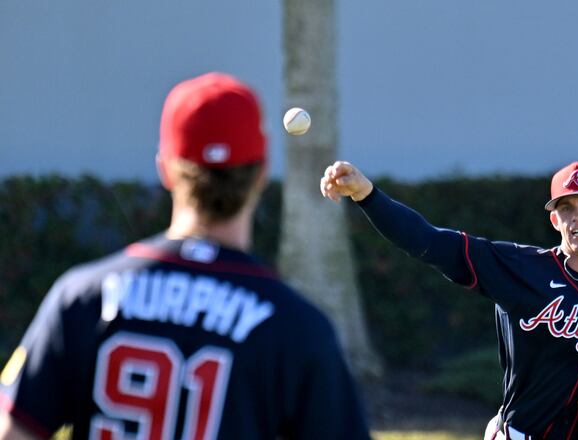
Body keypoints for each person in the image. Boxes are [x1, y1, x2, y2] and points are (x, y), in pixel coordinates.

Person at [0, 73, 371, 440]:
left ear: (165, 167)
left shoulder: (84, 297)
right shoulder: (297, 327)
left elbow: (12, 432)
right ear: (261, 172)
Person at [320, 160, 578, 440]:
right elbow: (429, 242)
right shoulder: (522, 269)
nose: (577, 216)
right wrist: (367, 195)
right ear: (555, 221)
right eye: (566, 207)